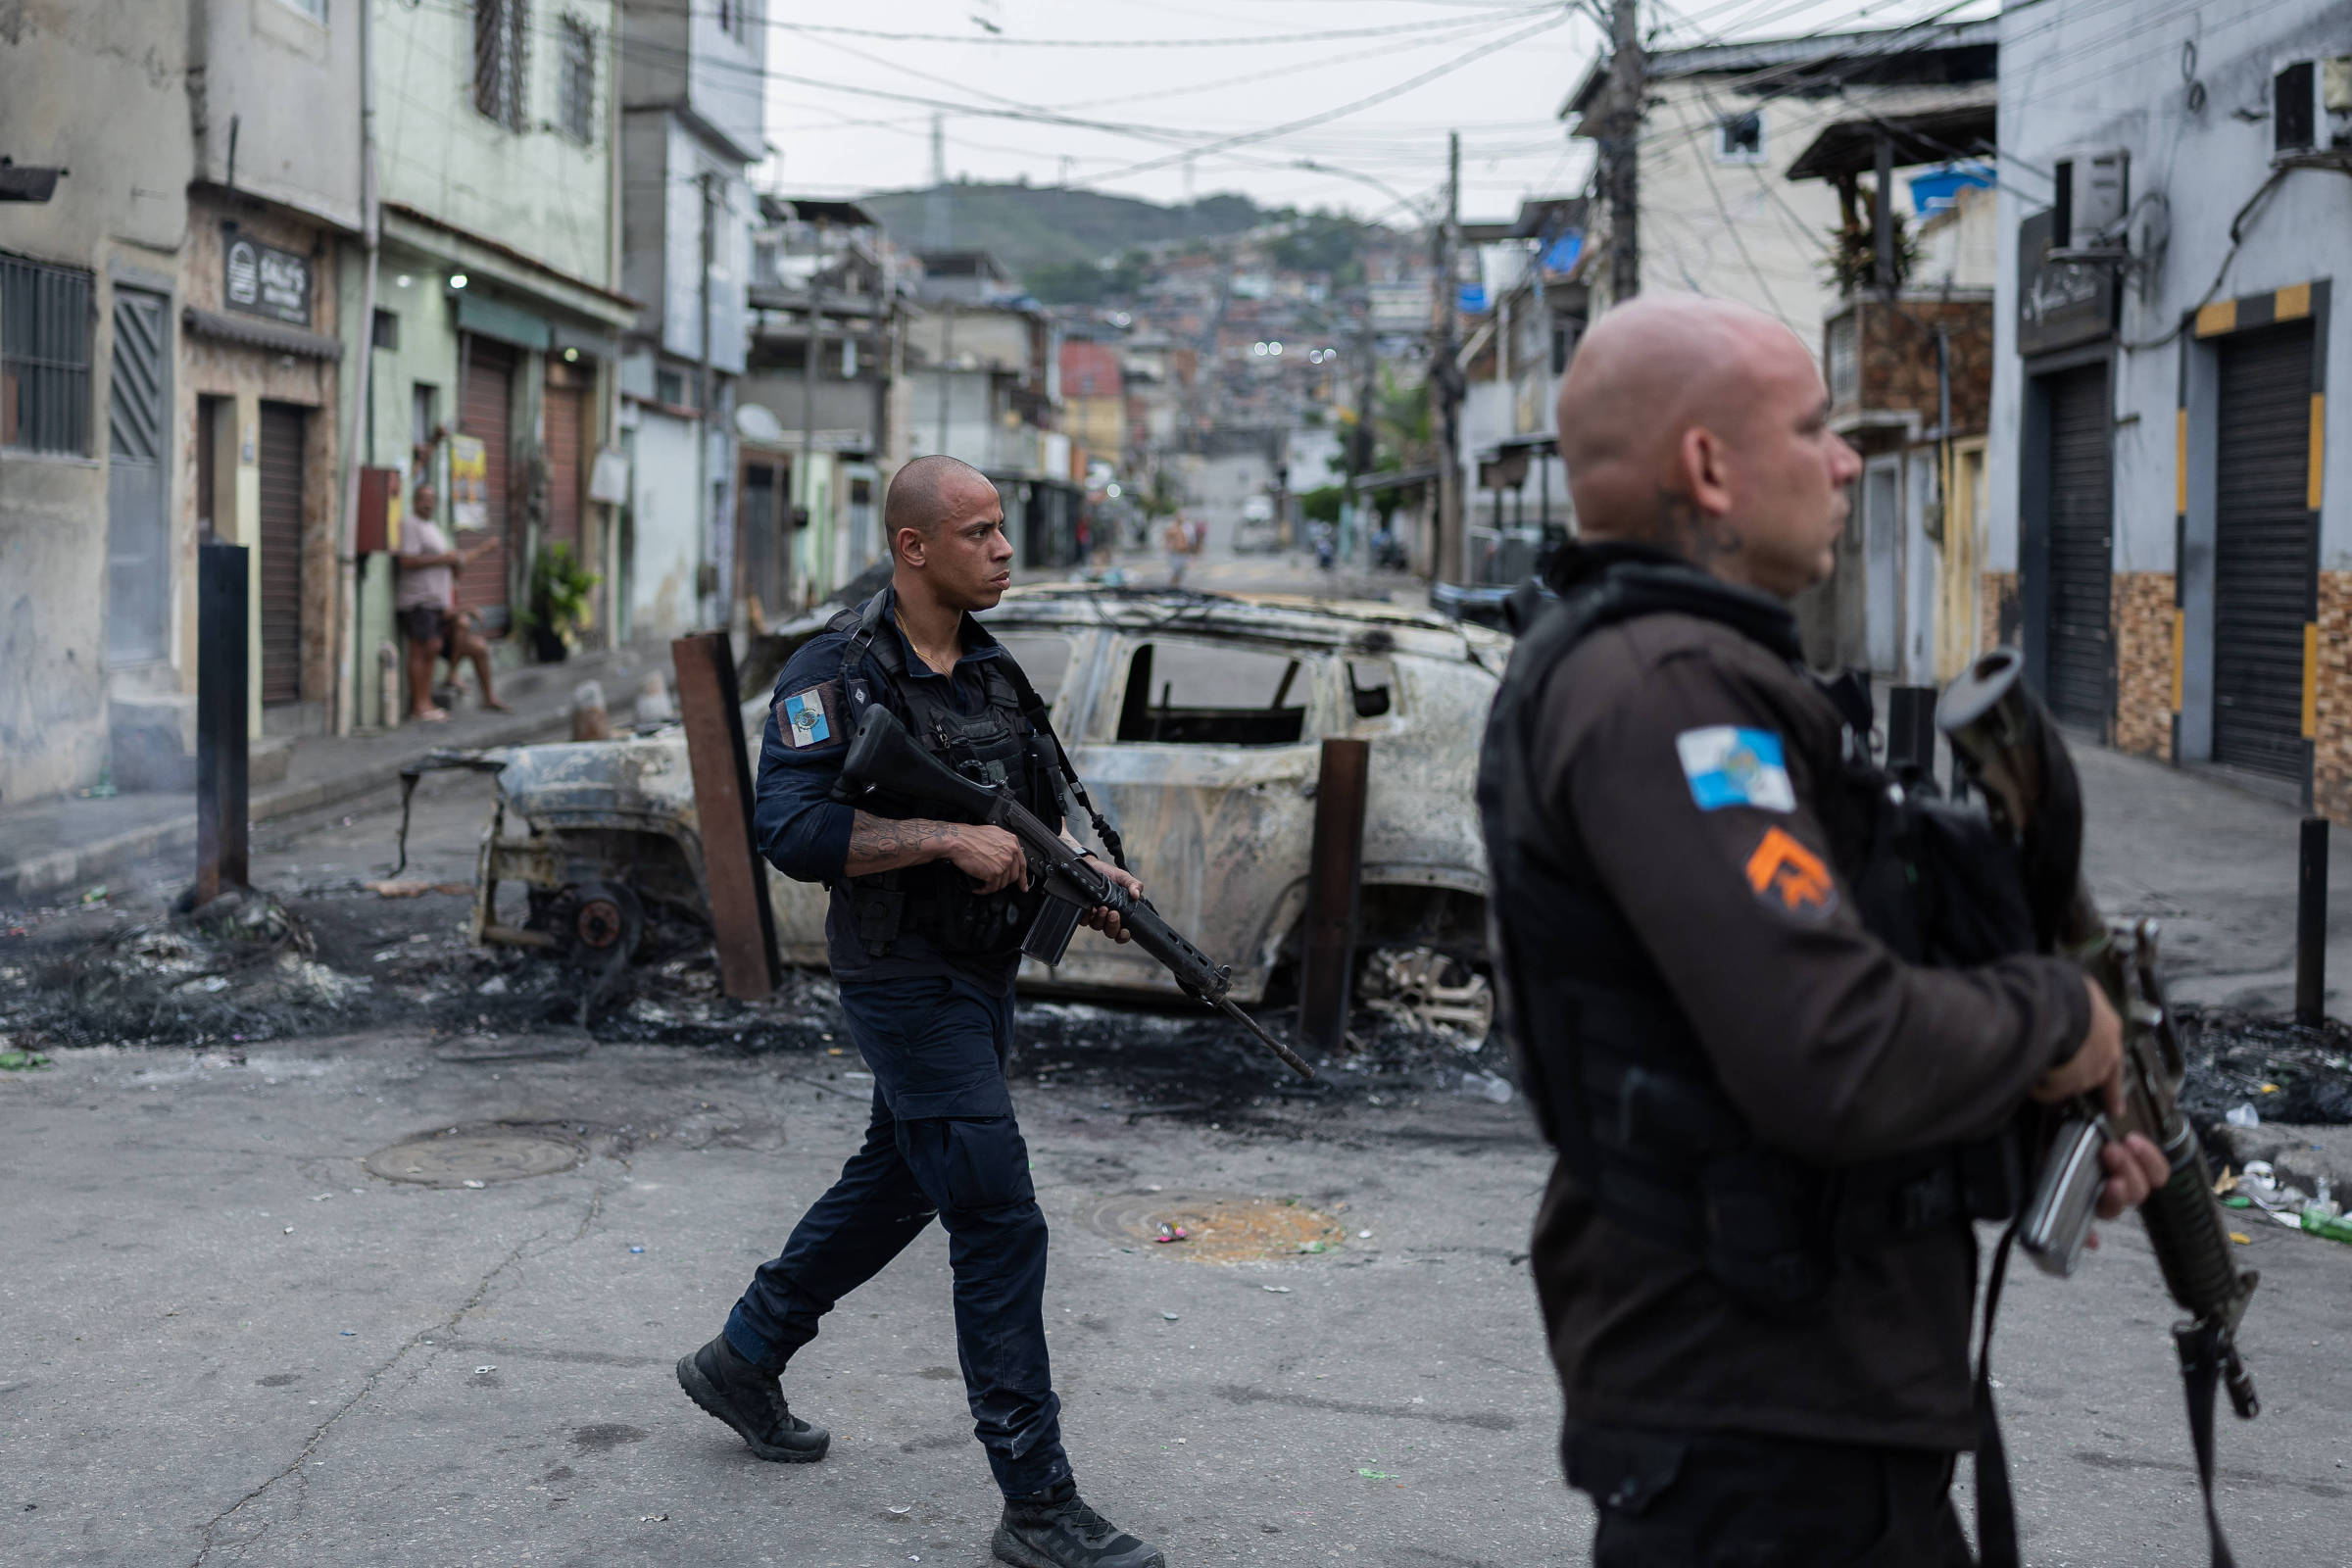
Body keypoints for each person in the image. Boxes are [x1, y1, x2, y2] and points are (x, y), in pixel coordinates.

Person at [1475, 294, 2173, 1566]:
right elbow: (1826, 1045)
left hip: (1801, 1396)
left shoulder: (1696, 672)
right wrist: (2056, 1019)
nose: (1847, 459)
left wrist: (2026, 1113)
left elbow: (1744, 1025)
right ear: (1710, 468)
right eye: (1813, 428)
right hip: (1756, 1416)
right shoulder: (1669, 696)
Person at [675, 455, 1164, 1568]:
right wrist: (943, 837)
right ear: (914, 547)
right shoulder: (834, 673)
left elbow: (1033, 820)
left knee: (900, 1174)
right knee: (996, 1214)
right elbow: (789, 832)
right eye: (981, 532)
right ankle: (1037, 1503)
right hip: (902, 979)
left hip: (982, 970)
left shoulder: (993, 673)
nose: (1003, 550)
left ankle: (744, 1355)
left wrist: (1087, 878)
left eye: (1001, 530)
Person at [393, 483, 459, 723]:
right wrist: (443, 558)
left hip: (433, 601)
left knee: (432, 649)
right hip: (418, 600)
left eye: (431, 498)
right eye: (422, 498)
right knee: (423, 648)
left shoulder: (432, 526)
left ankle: (426, 702)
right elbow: (407, 560)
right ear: (414, 500)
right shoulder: (412, 524)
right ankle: (419, 705)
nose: (427, 503)